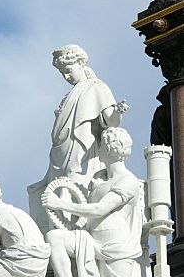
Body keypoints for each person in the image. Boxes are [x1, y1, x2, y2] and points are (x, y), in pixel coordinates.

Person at [28, 44, 129, 234]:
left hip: (82, 151)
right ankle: (59, 239)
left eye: (68, 71)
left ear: (81, 63)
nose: (66, 77)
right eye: (62, 74)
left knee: (76, 187)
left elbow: (109, 120)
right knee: (56, 191)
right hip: (60, 153)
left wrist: (117, 111)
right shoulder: (70, 94)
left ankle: (75, 237)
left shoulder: (97, 87)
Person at [41, 127, 144, 277]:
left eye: (102, 145)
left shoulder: (128, 181)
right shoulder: (98, 178)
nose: (99, 149)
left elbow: (99, 209)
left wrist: (61, 204)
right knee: (55, 237)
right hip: (90, 240)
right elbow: (85, 211)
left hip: (115, 249)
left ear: (112, 149)